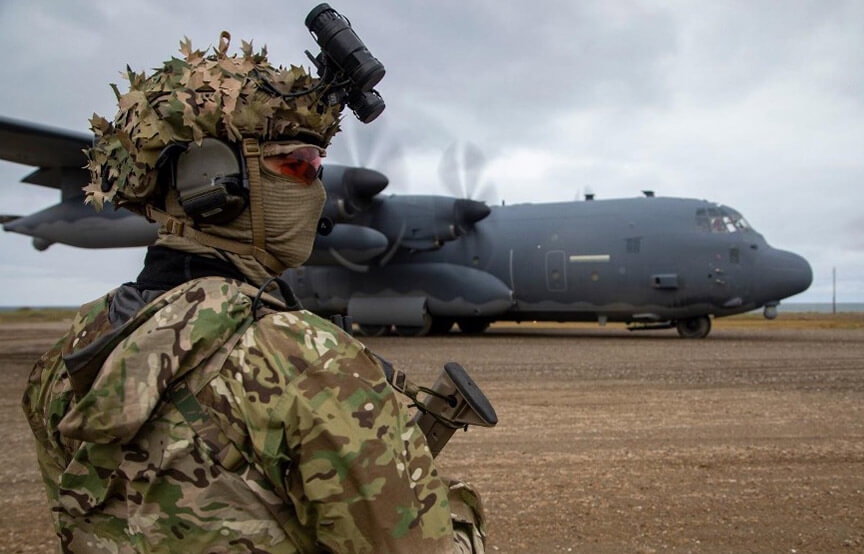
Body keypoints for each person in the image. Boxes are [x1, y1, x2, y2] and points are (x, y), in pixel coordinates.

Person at [23, 32, 485, 553]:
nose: (317, 191)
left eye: (317, 170)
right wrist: (450, 508)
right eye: (298, 166)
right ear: (211, 180)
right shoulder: (312, 364)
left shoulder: (71, 352)